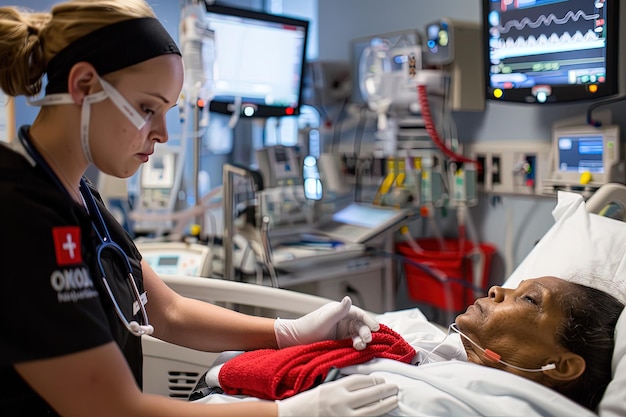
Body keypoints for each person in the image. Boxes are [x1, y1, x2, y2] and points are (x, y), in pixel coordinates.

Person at [0, 1, 399, 416]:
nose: (162, 133)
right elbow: (113, 408)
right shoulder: (18, 213)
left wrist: (287, 333)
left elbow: (169, 312)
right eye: (147, 108)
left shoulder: (79, 197)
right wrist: (292, 412)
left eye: (169, 112)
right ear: (84, 84)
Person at [200, 276, 624, 413]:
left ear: (561, 365)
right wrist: (284, 335)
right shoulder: (427, 347)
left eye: (529, 300)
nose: (497, 288)